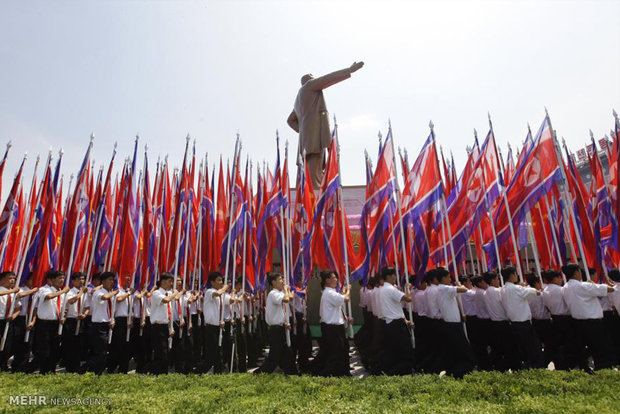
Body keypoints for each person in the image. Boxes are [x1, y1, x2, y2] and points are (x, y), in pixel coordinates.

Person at [287, 61, 364, 187]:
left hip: (306, 141)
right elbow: (328, 78)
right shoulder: (310, 86)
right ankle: (315, 203)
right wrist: (349, 70)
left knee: (311, 173)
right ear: (310, 80)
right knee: (314, 178)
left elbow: (290, 121)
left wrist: (303, 130)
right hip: (315, 138)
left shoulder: (298, 100)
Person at [562, 263, 616, 370]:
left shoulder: (565, 287)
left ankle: (584, 369)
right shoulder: (583, 286)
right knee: (600, 349)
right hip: (593, 323)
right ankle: (603, 371)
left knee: (584, 350)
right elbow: (610, 289)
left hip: (577, 322)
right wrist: (594, 284)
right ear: (577, 272)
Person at [500, 267, 544, 369]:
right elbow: (537, 292)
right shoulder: (517, 289)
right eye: (515, 274)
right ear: (512, 275)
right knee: (533, 350)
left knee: (522, 350)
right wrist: (524, 286)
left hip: (514, 324)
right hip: (523, 324)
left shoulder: (503, 289)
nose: (516, 276)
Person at [254, 272, 297, 375]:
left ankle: (291, 372)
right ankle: (260, 373)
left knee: (286, 352)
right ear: (273, 282)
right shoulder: (273, 294)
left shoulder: (280, 293)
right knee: (274, 355)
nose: (283, 281)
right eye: (280, 279)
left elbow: (290, 298)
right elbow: (287, 299)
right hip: (275, 329)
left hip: (281, 327)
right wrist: (287, 290)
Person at [436, 268, 474, 378]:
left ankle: (456, 370)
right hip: (452, 324)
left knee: (454, 349)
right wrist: (458, 284)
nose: (450, 279)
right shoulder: (444, 288)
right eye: (449, 277)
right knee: (462, 348)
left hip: (451, 323)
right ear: (443, 278)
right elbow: (464, 289)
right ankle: (462, 370)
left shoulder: (443, 289)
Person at [30, 270, 69, 374]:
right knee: (44, 350)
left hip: (56, 323)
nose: (62, 280)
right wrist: (63, 291)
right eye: (59, 278)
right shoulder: (44, 290)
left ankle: (51, 370)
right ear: (50, 280)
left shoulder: (60, 291)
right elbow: (49, 297)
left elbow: (63, 307)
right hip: (44, 324)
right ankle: (37, 370)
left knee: (54, 349)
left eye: (63, 278)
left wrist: (63, 316)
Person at [378, 266, 415, 375]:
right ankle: (403, 371)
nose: (395, 277)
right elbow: (409, 299)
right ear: (388, 276)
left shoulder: (383, 289)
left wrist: (406, 320)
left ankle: (395, 370)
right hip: (396, 324)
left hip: (391, 322)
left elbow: (395, 308)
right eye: (394, 274)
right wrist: (407, 288)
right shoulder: (390, 289)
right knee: (403, 348)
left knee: (394, 349)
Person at [313, 270, 350, 377]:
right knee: (335, 353)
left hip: (334, 327)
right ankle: (327, 374)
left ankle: (340, 372)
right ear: (327, 280)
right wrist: (348, 291)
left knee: (338, 351)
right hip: (332, 328)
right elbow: (346, 299)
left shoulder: (330, 292)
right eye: (334, 278)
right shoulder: (329, 292)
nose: (336, 280)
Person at [149, 273, 182, 375]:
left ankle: (162, 373)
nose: (171, 284)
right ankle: (157, 374)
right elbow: (166, 300)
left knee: (166, 352)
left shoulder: (168, 294)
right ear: (162, 281)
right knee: (160, 352)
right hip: (157, 326)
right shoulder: (157, 293)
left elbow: (169, 313)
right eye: (169, 281)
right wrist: (175, 293)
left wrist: (170, 327)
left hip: (165, 326)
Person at [87, 272, 118, 375]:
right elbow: (104, 297)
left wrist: (112, 320)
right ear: (103, 281)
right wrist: (115, 292)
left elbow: (111, 309)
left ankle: (97, 372)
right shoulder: (98, 292)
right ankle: (87, 370)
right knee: (100, 352)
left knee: (105, 352)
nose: (112, 282)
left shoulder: (111, 293)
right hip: (98, 325)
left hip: (107, 325)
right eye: (109, 280)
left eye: (113, 280)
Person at [483, 271, 515, 371]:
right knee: (509, 348)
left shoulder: (485, 292)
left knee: (497, 349)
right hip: (503, 323)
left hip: (494, 323)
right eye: (497, 279)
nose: (498, 281)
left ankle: (499, 368)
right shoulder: (498, 291)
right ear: (492, 281)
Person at [200, 271, 230, 374]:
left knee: (218, 353)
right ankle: (198, 372)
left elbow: (229, 302)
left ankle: (218, 373)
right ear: (212, 282)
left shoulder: (221, 295)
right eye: (219, 280)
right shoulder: (209, 291)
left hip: (218, 326)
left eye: (222, 280)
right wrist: (225, 288)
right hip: (210, 328)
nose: (221, 282)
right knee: (211, 354)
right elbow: (217, 293)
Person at [11, 273, 38, 373]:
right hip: (20, 318)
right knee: (18, 342)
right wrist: (32, 291)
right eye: (32, 279)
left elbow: (35, 308)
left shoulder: (36, 292)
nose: (33, 282)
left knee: (28, 344)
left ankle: (24, 366)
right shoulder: (22, 288)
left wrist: (33, 321)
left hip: (30, 318)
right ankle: (16, 366)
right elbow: (19, 295)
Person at [61, 272, 87, 373]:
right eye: (79, 279)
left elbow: (87, 307)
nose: (82, 281)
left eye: (83, 279)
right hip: (70, 320)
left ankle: (76, 367)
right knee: (69, 345)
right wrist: (80, 293)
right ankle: (69, 366)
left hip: (80, 320)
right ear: (74, 281)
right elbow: (71, 301)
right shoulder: (70, 292)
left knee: (79, 345)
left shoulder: (84, 293)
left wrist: (84, 314)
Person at [107, 278, 132, 373]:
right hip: (119, 320)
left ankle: (123, 369)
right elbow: (118, 299)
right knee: (117, 346)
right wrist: (128, 294)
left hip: (128, 320)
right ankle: (111, 368)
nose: (128, 282)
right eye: (127, 280)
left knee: (126, 346)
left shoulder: (129, 291)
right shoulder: (118, 290)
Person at [0, 271, 20, 371]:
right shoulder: (7, 291)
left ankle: (3, 365)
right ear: (2, 279)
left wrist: (13, 316)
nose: (13, 280)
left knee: (7, 346)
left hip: (7, 322)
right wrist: (12, 291)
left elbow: (18, 307)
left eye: (14, 278)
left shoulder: (13, 293)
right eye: (10, 278)